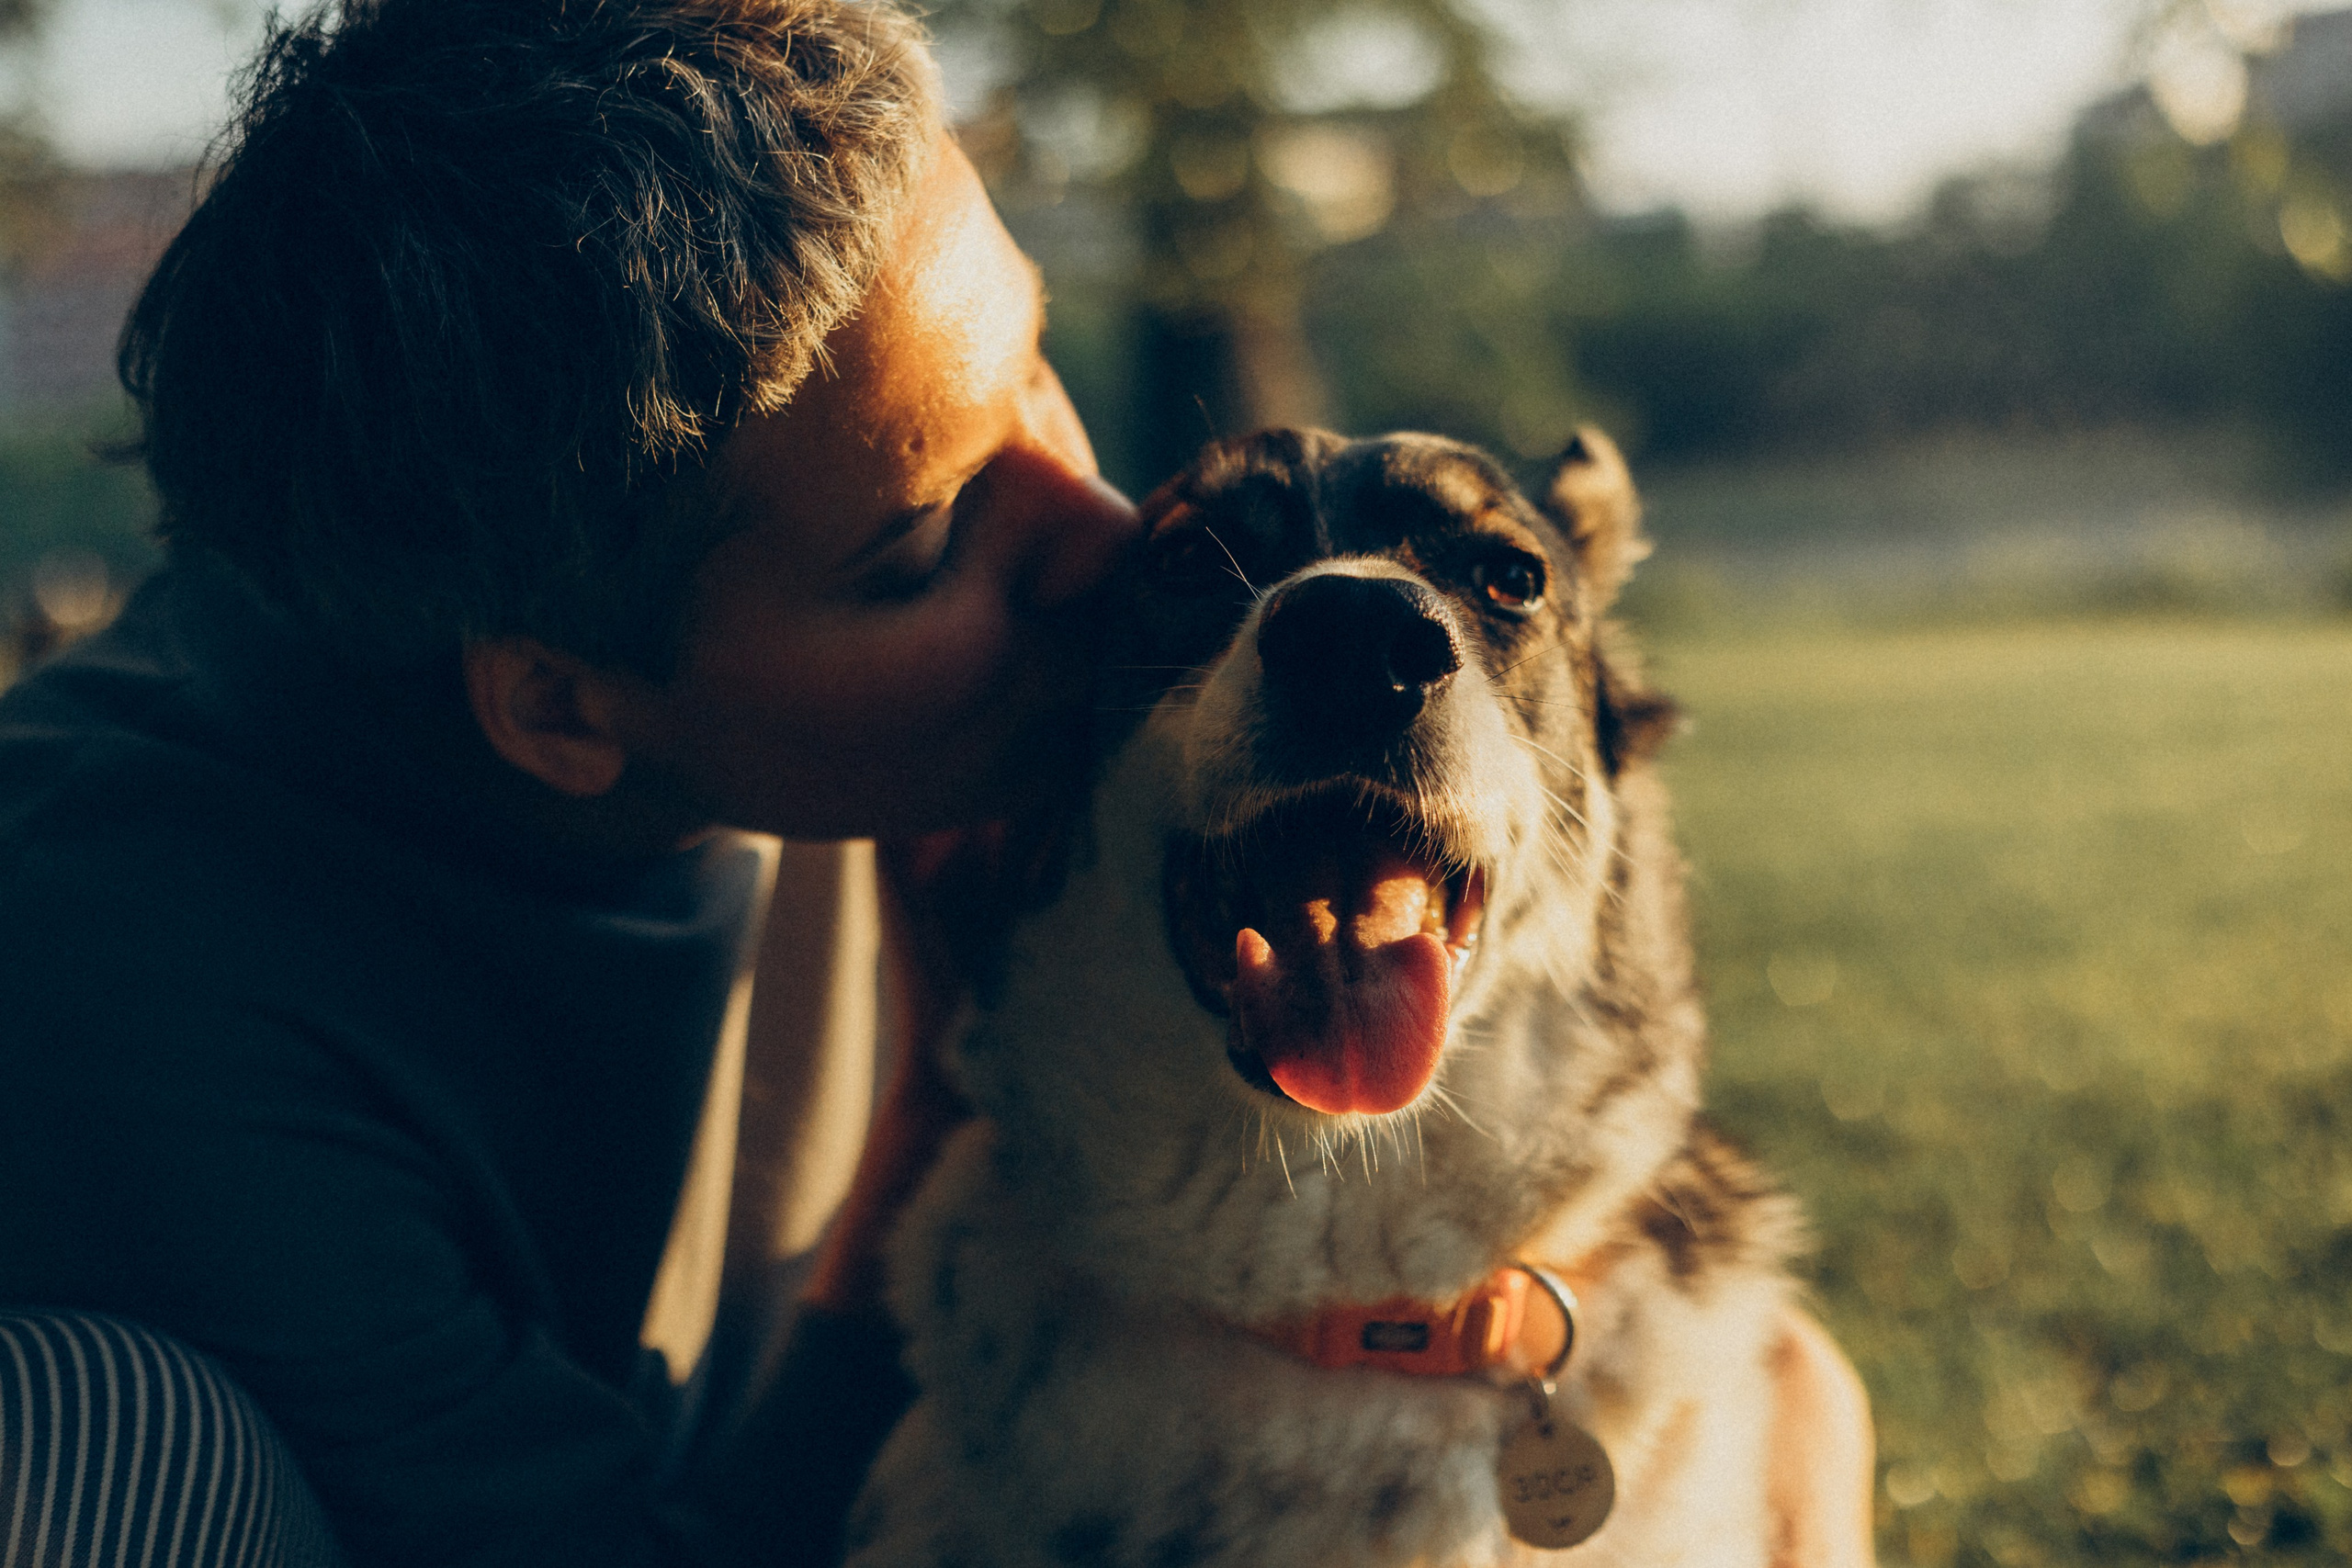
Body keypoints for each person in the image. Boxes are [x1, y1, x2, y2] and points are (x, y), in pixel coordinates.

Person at [0, 0, 1133, 1562]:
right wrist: (947, 1109)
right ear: (553, 708)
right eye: (931, 545)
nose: (1109, 535)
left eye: (1039, 364)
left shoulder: (741, 623)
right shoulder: (139, 1008)